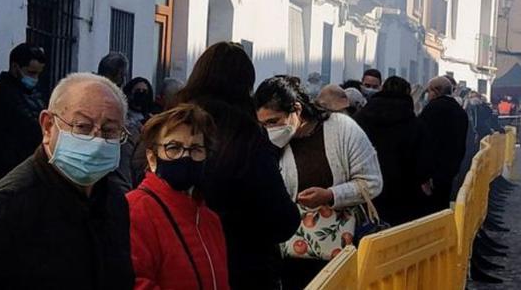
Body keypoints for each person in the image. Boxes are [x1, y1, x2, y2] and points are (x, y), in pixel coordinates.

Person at [0, 73, 133, 288]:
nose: (98, 141)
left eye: (110, 130)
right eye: (82, 126)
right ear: (48, 126)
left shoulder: (114, 202)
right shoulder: (4, 210)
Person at [176, 42, 299, 290]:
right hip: (241, 269)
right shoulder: (248, 137)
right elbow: (281, 218)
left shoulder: (169, 125)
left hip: (179, 264)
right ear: (246, 87)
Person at [254, 75, 384, 289]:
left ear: (296, 109)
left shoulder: (342, 129)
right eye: (263, 124)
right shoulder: (270, 145)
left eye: (274, 121)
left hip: (341, 254)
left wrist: (331, 195)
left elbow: (372, 182)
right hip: (291, 255)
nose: (269, 129)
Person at [128, 104, 229, 290]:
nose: (185, 156)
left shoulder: (209, 220)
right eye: (173, 148)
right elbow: (136, 282)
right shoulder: (135, 209)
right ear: (152, 158)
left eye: (196, 149)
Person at [354, 77, 422, 226]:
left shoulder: (363, 115)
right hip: (403, 188)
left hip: (368, 182)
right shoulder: (412, 121)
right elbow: (420, 156)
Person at [0, 43, 47, 181]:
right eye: (31, 73)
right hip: (10, 170)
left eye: (38, 73)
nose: (35, 78)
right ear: (15, 67)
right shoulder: (2, 93)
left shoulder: (34, 92)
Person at [415, 76, 469, 217]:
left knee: (429, 213)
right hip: (450, 170)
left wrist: (424, 175)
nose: (428, 94)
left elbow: (423, 142)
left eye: (429, 91)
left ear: (436, 91)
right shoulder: (460, 111)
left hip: (432, 174)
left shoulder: (431, 110)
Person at [120, 77, 162, 188]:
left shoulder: (152, 117)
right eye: (138, 91)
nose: (141, 94)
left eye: (144, 92)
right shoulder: (122, 114)